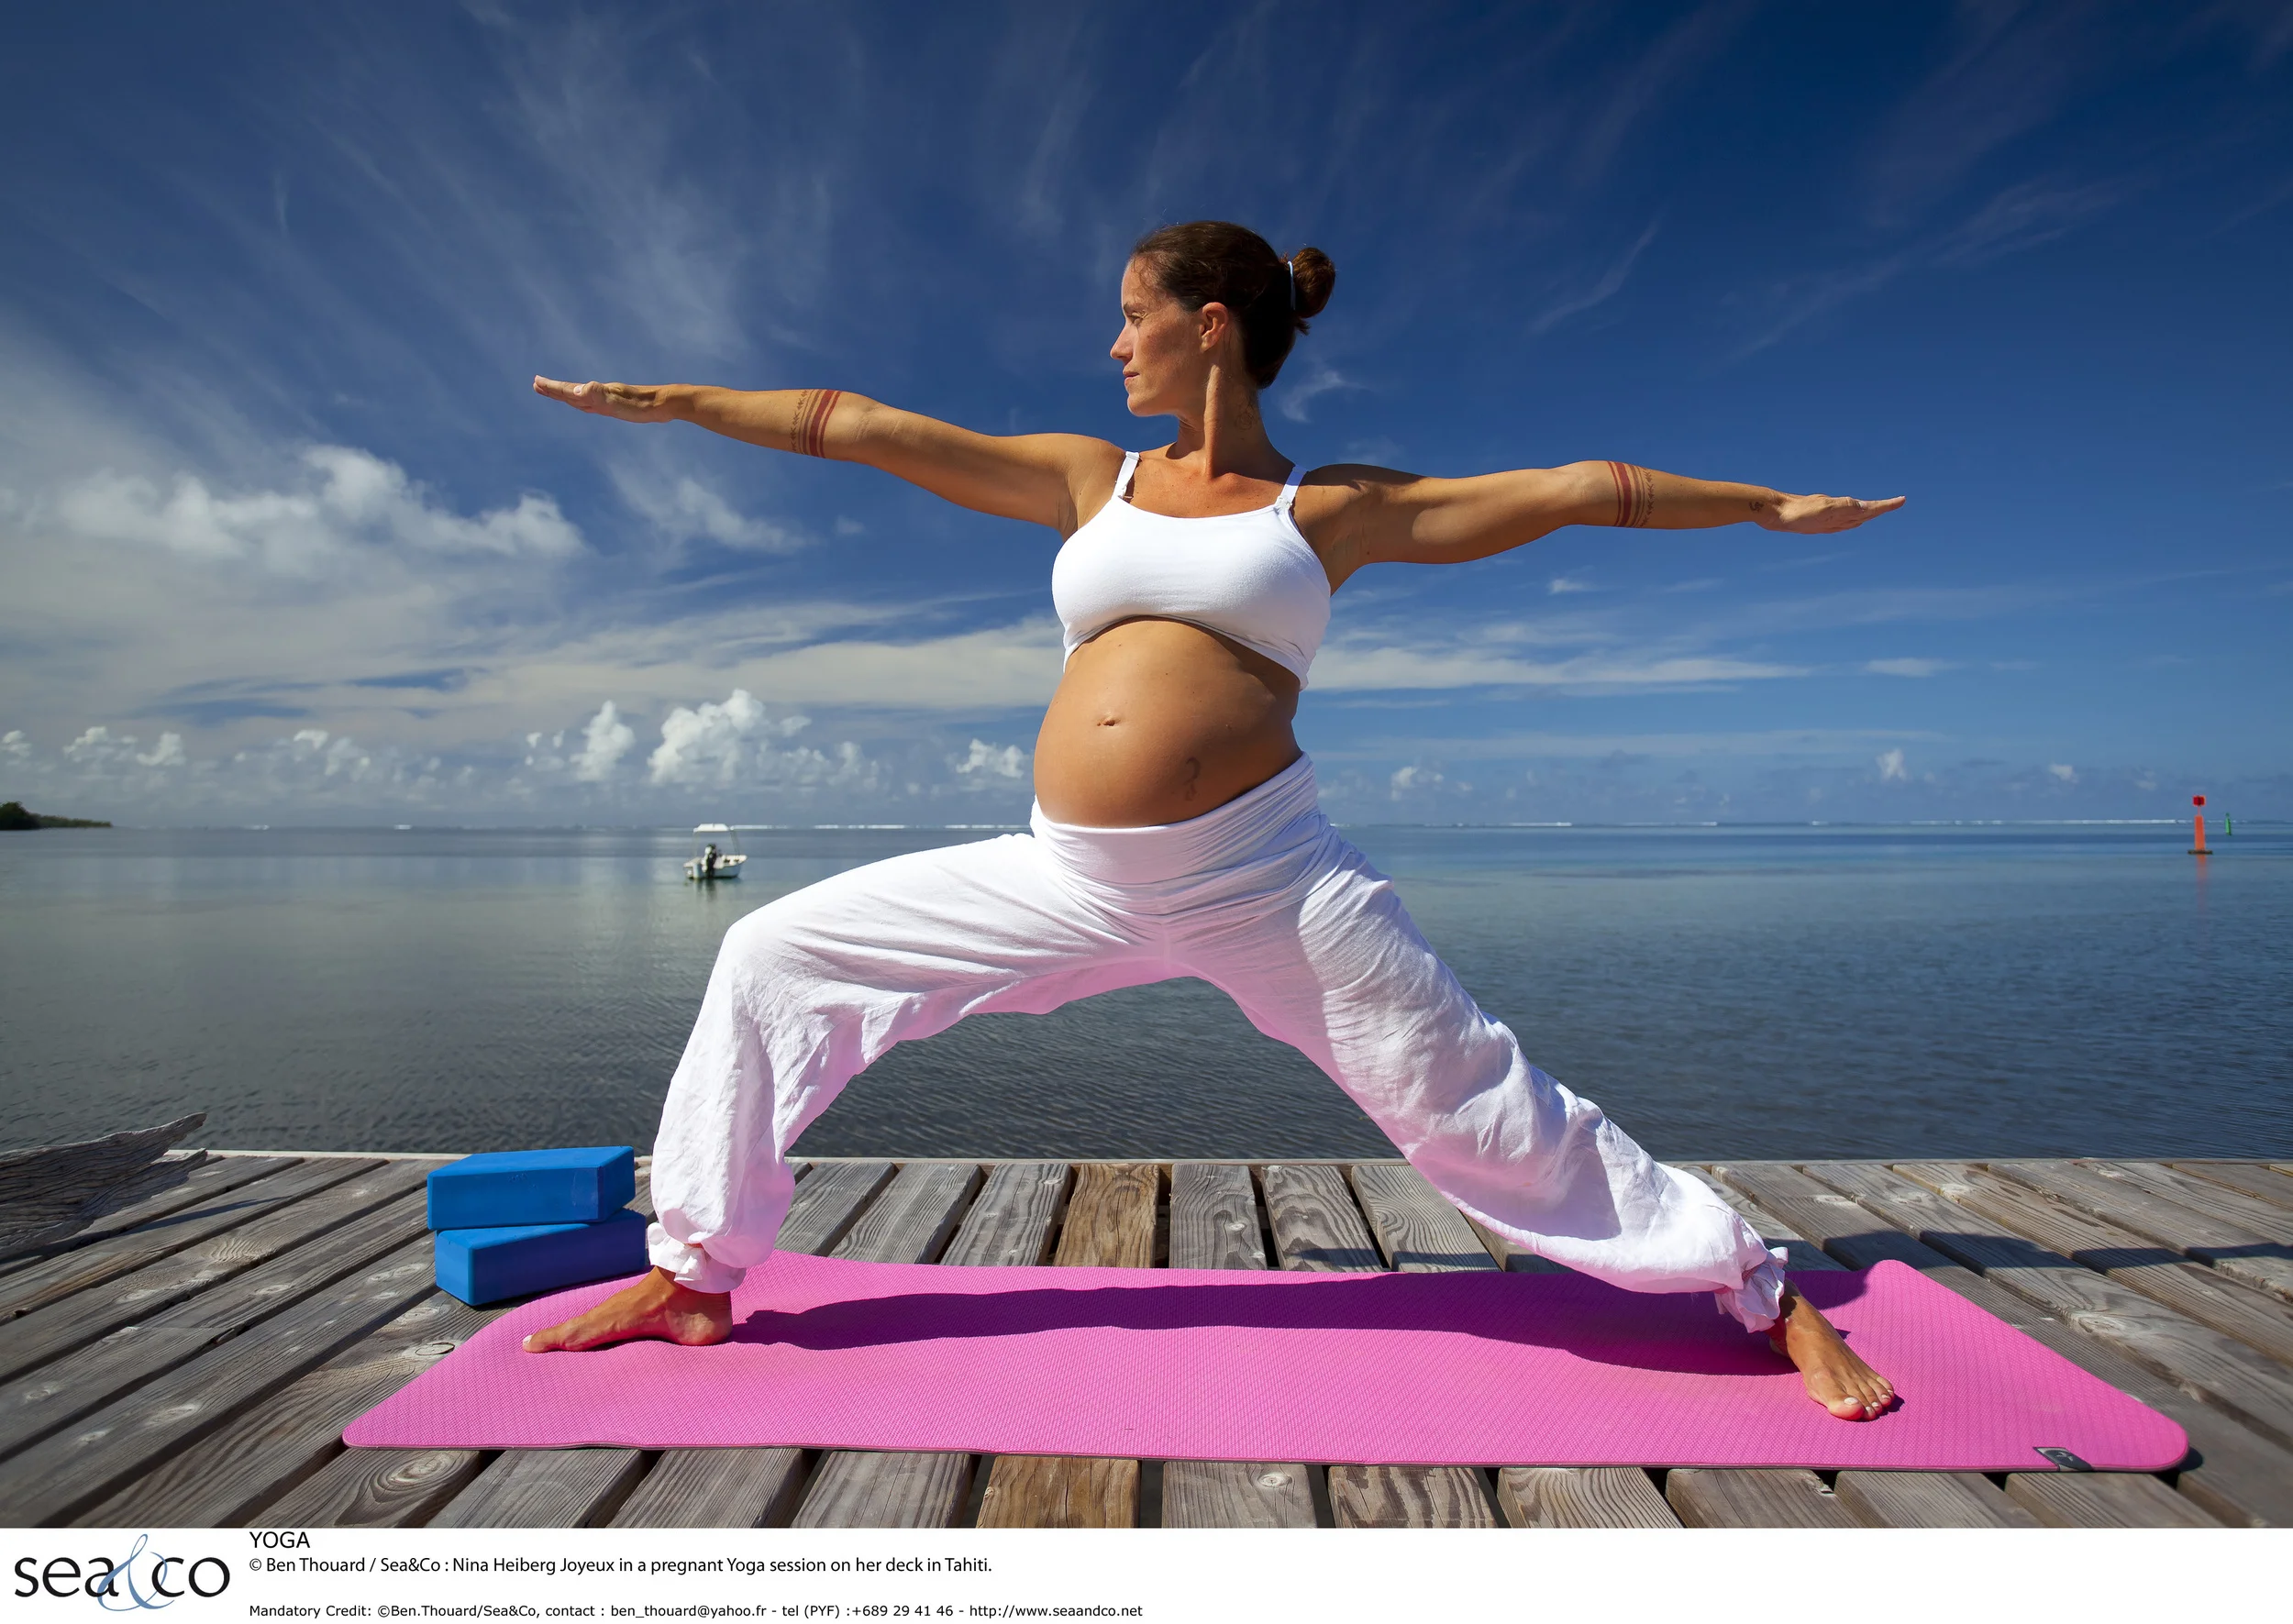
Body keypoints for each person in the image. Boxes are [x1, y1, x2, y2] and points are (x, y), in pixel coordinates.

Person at [524, 221, 1901, 1421]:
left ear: (1211, 323)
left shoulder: (1330, 508)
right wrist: (678, 401)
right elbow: (864, 425)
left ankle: (1753, 1283)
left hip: (1268, 876)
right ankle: (693, 1274)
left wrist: (1764, 508)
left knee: (1473, 1100)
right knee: (771, 954)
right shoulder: (1091, 477)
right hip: (1065, 873)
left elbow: (1582, 489)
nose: (1113, 344)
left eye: (1132, 315)